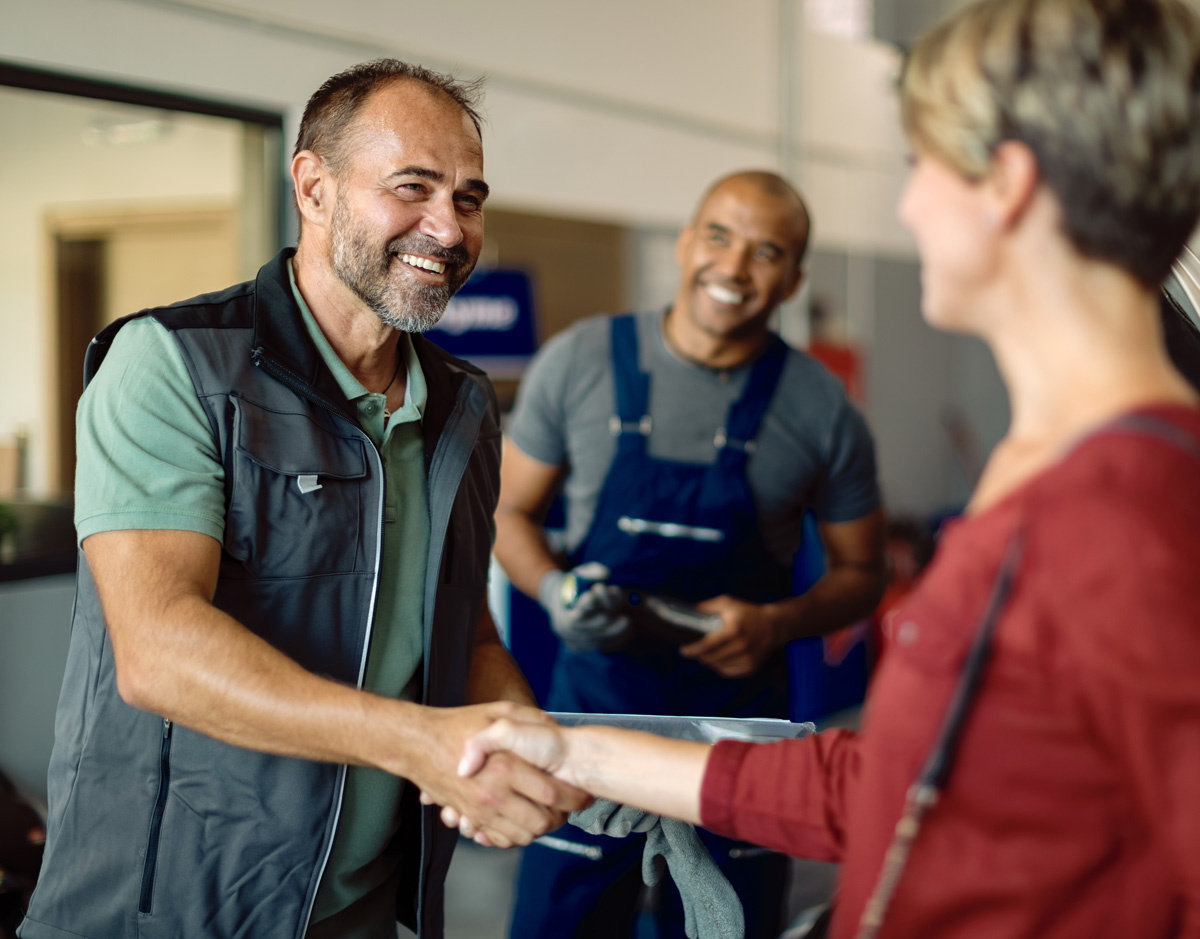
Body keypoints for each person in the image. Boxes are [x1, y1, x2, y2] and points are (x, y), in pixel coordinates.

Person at [451, 0, 1200, 936]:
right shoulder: (1042, 475)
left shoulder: (1127, 516)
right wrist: (573, 749)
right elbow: (892, 785)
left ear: (1004, 185)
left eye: (919, 165)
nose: (908, 202)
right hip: (624, 708)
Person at [18, 59, 586, 939]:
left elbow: (462, 627)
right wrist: (418, 743)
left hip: (361, 908)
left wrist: (521, 746)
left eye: (469, 198)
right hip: (166, 907)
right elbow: (158, 650)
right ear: (314, 188)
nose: (448, 227)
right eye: (413, 187)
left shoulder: (464, 406)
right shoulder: (173, 366)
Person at [493, 171, 886, 938]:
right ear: (683, 243)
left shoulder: (822, 408)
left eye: (767, 250)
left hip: (736, 743)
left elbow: (864, 574)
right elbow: (507, 512)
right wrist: (554, 591)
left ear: (794, 279)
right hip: (592, 731)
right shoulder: (579, 362)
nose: (734, 267)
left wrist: (776, 622)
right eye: (718, 235)